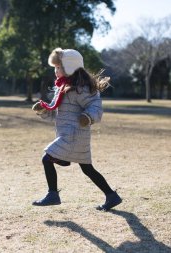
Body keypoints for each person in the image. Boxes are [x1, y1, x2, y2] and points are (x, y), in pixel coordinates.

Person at [31, 48, 122, 211]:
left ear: (69, 68)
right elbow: (56, 114)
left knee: (47, 158)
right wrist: (44, 111)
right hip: (68, 134)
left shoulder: (81, 88)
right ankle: (111, 196)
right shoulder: (62, 87)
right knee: (87, 169)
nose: (55, 71)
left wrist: (88, 117)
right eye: (55, 67)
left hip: (75, 134)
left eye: (58, 67)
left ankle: (53, 194)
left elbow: (95, 106)